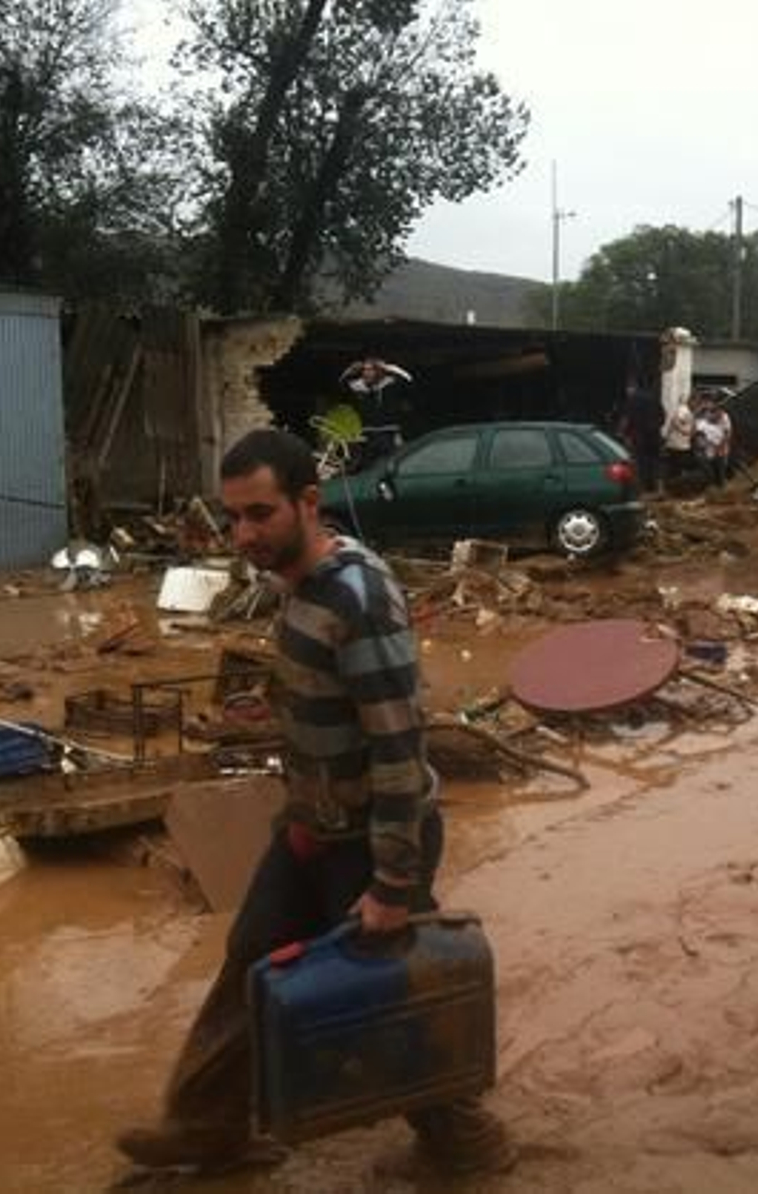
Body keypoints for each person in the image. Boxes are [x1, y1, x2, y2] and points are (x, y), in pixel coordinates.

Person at [117, 429, 514, 1177]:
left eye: (260, 514)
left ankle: (467, 1145)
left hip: (373, 838)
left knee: (394, 994)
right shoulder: (291, 581)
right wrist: (297, 815)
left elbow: (400, 749)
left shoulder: (358, 600)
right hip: (311, 826)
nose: (243, 534)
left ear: (309, 501)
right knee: (249, 964)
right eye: (233, 517)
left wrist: (392, 886)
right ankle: (209, 1128)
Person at [693, 399, 729, 489]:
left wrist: (720, 447)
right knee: (708, 470)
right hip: (706, 452)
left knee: (721, 467)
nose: (719, 418)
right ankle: (711, 484)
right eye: (717, 415)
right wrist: (710, 446)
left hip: (719, 452)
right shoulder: (702, 425)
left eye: (720, 416)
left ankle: (721, 484)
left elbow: (726, 435)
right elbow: (699, 441)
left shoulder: (722, 422)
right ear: (711, 414)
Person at [661, 392, 695, 486]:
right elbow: (676, 421)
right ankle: (674, 486)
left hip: (677, 443)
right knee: (677, 467)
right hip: (679, 445)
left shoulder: (684, 410)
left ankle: (673, 485)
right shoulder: (684, 410)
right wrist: (685, 432)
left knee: (674, 467)